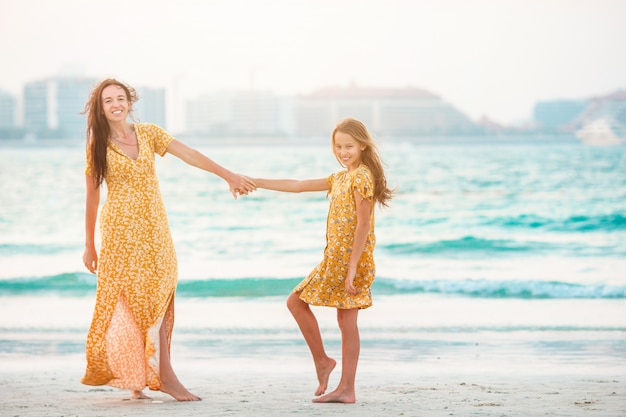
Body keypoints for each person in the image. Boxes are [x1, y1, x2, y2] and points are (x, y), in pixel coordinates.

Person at [80, 78, 255, 401]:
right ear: (101, 109)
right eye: (108, 100)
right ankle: (148, 379)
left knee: (160, 291)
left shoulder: (148, 133)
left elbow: (189, 154)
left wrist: (227, 175)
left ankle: (154, 374)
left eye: (120, 98)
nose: (116, 104)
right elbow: (92, 198)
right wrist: (89, 244)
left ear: (129, 102)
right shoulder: (98, 147)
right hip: (120, 232)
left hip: (155, 228)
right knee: (130, 300)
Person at [253, 118, 394, 403]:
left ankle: (338, 379)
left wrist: (353, 266)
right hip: (334, 259)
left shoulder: (362, 177)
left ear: (362, 145)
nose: (343, 152)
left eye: (349, 146)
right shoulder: (340, 178)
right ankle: (334, 376)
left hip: (350, 261)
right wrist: (256, 182)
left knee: (308, 306)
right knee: (339, 317)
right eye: (338, 146)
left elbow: (364, 225)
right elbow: (298, 185)